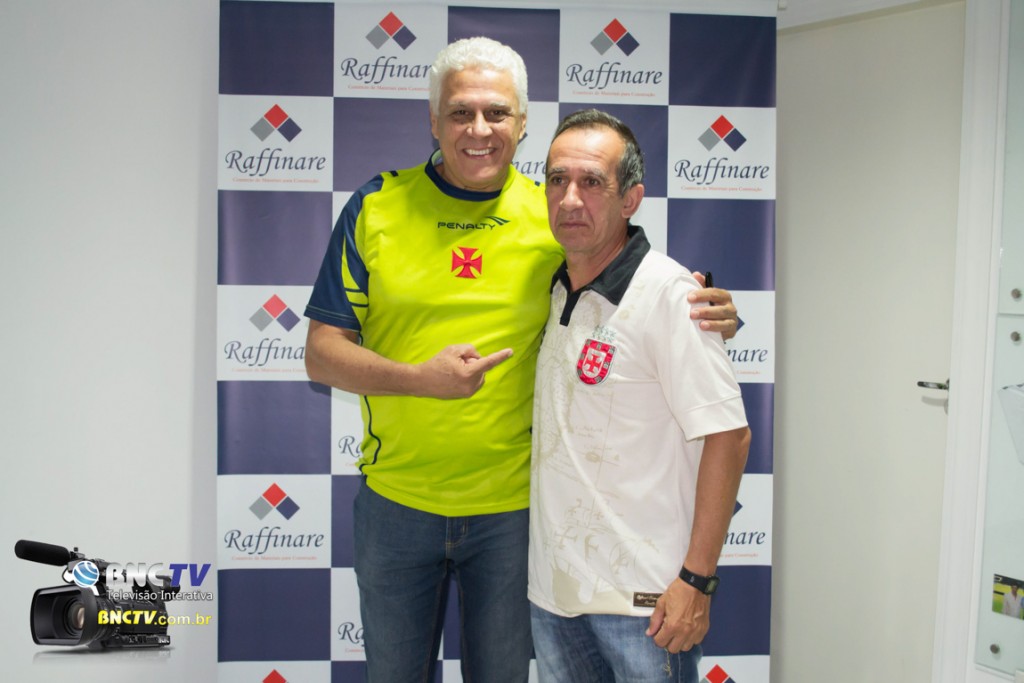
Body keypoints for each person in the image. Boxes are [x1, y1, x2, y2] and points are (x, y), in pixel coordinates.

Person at [304, 38, 739, 682]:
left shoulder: (556, 211)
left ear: (523, 122)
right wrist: (419, 380)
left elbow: (638, 281)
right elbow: (321, 356)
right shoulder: (375, 207)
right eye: (460, 113)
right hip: (396, 504)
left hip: (515, 517)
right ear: (433, 120)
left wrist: (710, 310)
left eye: (497, 113)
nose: (479, 130)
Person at [527, 108, 751, 683]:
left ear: (631, 199)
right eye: (557, 180)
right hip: (556, 595)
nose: (570, 199)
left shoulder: (671, 294)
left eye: (592, 182)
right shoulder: (554, 285)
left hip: (646, 607)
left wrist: (696, 580)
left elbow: (730, 436)